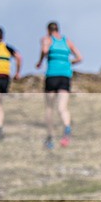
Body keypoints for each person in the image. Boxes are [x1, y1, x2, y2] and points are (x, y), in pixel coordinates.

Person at [36, 21, 83, 149]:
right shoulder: (67, 41)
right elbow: (80, 57)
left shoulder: (47, 39)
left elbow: (44, 50)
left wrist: (40, 61)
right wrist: (68, 64)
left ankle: (50, 138)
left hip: (52, 75)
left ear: (48, 30)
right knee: (62, 107)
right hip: (65, 76)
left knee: (49, 107)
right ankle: (67, 127)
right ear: (58, 29)